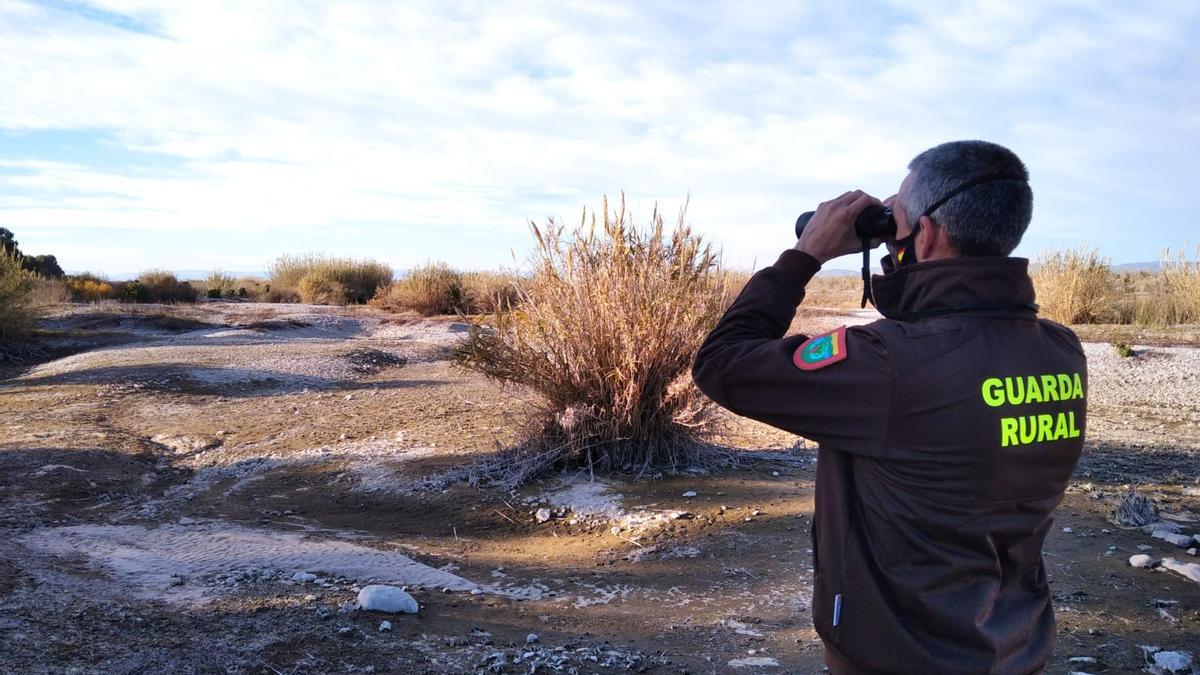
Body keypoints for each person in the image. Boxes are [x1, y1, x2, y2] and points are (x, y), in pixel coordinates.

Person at [692, 140, 1086, 674]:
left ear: (927, 233)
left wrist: (805, 255)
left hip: (897, 653)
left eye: (893, 218)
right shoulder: (1060, 352)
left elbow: (722, 363)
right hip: (1014, 645)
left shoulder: (890, 364)